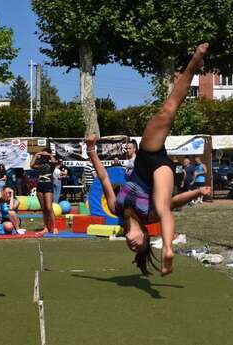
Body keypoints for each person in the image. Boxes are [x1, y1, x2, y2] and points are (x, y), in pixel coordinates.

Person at [86, 43, 210, 276]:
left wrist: (92, 149)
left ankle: (193, 65)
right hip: (160, 169)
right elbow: (174, 203)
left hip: (146, 157)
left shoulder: (116, 208)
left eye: (131, 246)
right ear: (145, 234)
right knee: (163, 208)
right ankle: (168, 250)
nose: (133, 245)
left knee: (168, 109)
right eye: (140, 245)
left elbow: (103, 177)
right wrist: (196, 192)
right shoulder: (148, 216)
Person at [30, 148, 58, 234]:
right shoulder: (40, 164)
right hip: (40, 185)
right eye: (43, 155)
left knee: (49, 208)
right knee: (44, 209)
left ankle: (55, 227)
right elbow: (31, 165)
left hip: (48, 185)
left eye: (45, 155)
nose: (43, 156)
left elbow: (54, 162)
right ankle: (46, 227)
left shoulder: (51, 164)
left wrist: (49, 154)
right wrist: (36, 154)